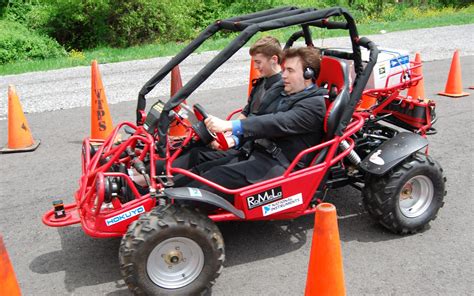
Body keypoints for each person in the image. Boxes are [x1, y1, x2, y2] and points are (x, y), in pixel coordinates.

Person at [184, 47, 328, 200]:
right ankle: (167, 197)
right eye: (284, 69)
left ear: (308, 74)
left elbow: (275, 123)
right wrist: (236, 139)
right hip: (257, 153)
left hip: (278, 167)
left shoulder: (314, 105)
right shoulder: (288, 93)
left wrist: (230, 125)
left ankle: (177, 210)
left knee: (214, 178)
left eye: (290, 71)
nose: (283, 75)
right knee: (201, 171)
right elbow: (260, 117)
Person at [161, 36, 285, 181]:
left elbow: (261, 124)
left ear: (274, 60)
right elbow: (246, 113)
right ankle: (155, 177)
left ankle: (162, 190)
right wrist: (226, 132)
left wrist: (232, 139)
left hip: (251, 147)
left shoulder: (281, 89)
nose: (256, 67)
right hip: (242, 140)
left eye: (258, 62)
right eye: (254, 62)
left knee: (204, 167)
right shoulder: (261, 84)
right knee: (195, 148)